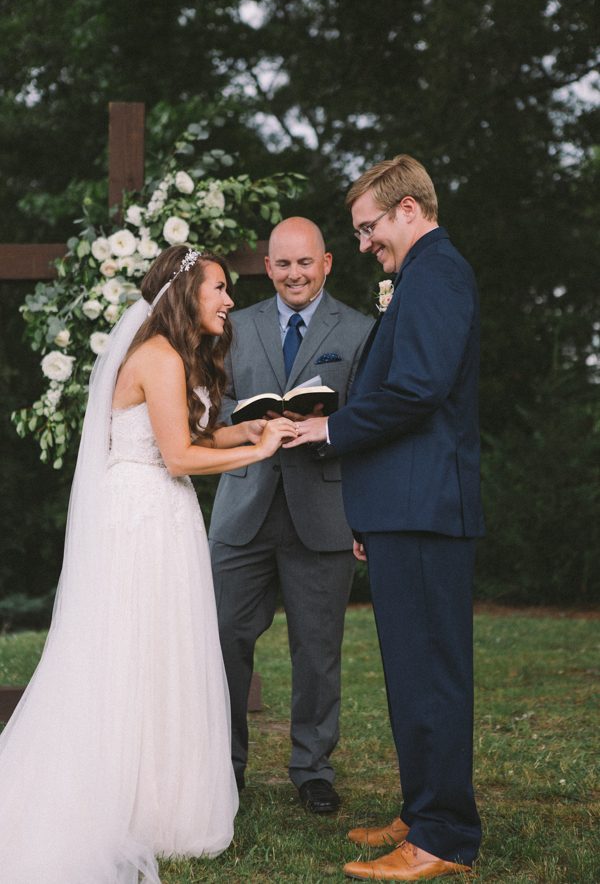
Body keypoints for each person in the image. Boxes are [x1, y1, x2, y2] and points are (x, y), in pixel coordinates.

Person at [0, 245, 296, 884]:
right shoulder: (159, 357)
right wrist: (263, 450)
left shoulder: (176, 358)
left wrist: (241, 431)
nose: (228, 300)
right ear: (187, 293)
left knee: (163, 651)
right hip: (141, 519)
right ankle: (132, 800)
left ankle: (159, 801)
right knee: (138, 650)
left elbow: (190, 435)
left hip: (162, 516)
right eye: (218, 288)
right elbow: (178, 458)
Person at [286, 156, 485, 880]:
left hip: (428, 507)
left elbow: (418, 388)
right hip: (406, 508)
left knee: (433, 674)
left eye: (370, 228)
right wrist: (371, 514)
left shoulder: (437, 272)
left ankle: (444, 838)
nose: (366, 243)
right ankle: (421, 808)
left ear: (408, 210)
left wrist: (329, 429)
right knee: (410, 672)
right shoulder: (420, 274)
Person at [208, 217, 373, 812]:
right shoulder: (237, 324)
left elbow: (369, 420)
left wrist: (321, 432)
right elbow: (212, 402)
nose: (293, 274)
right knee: (224, 642)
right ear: (267, 265)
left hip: (324, 508)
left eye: (305, 263)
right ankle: (224, 767)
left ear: (327, 263)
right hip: (242, 509)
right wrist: (247, 423)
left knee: (318, 648)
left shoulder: (357, 330)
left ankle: (313, 770)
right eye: (281, 264)